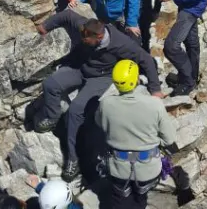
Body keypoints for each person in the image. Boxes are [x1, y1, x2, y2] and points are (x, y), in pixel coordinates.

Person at [34, 11, 163, 180]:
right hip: (80, 68)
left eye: (86, 39)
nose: (82, 39)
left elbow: (145, 59)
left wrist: (155, 90)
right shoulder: (86, 26)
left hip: (102, 77)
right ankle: (52, 116)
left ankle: (73, 158)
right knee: (50, 84)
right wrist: (45, 26)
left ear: (100, 37)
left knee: (75, 110)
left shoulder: (121, 43)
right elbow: (66, 15)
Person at [96, 60, 179, 209]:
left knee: (119, 200)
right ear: (136, 80)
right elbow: (169, 139)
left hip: (118, 167)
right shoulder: (154, 104)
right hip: (147, 169)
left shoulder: (105, 104)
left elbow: (100, 124)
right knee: (140, 198)